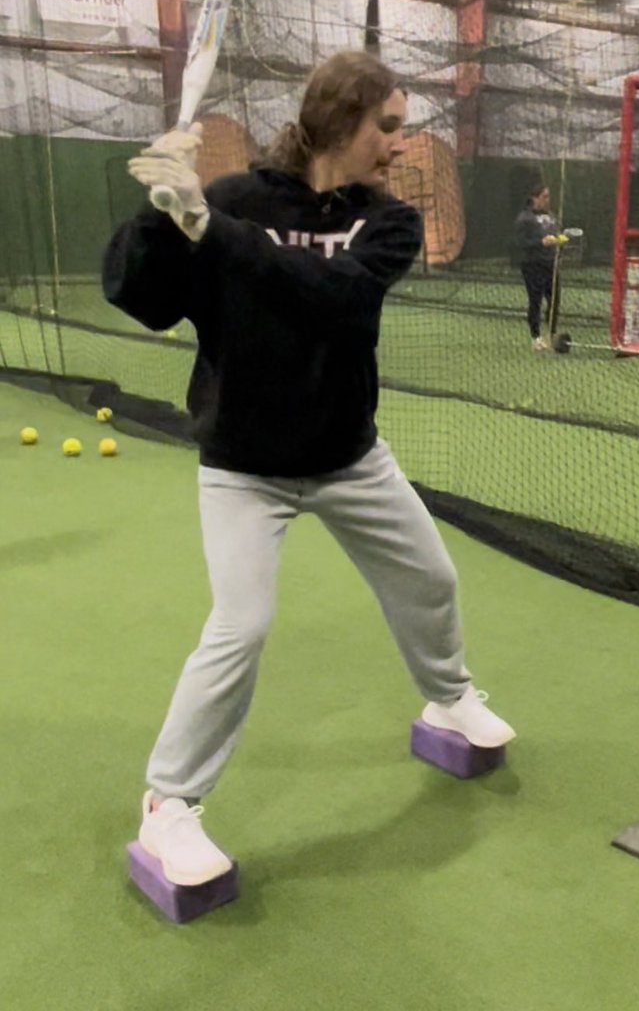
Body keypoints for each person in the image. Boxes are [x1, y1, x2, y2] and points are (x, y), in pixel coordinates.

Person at [103, 51, 515, 888]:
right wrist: (159, 216)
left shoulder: (385, 221)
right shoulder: (234, 201)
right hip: (244, 465)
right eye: (387, 128)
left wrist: (211, 232)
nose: (398, 146)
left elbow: (334, 300)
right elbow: (140, 297)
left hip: (348, 456)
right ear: (338, 123)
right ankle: (169, 806)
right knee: (241, 624)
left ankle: (448, 696)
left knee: (430, 578)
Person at [513, 183, 560, 349]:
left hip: (550, 264)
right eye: (544, 197)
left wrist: (559, 240)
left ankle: (552, 334)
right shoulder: (524, 218)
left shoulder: (551, 215)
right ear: (535, 198)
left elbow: (554, 234)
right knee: (536, 301)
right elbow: (520, 243)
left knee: (554, 300)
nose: (547, 200)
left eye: (548, 196)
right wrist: (541, 242)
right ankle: (536, 337)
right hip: (532, 265)